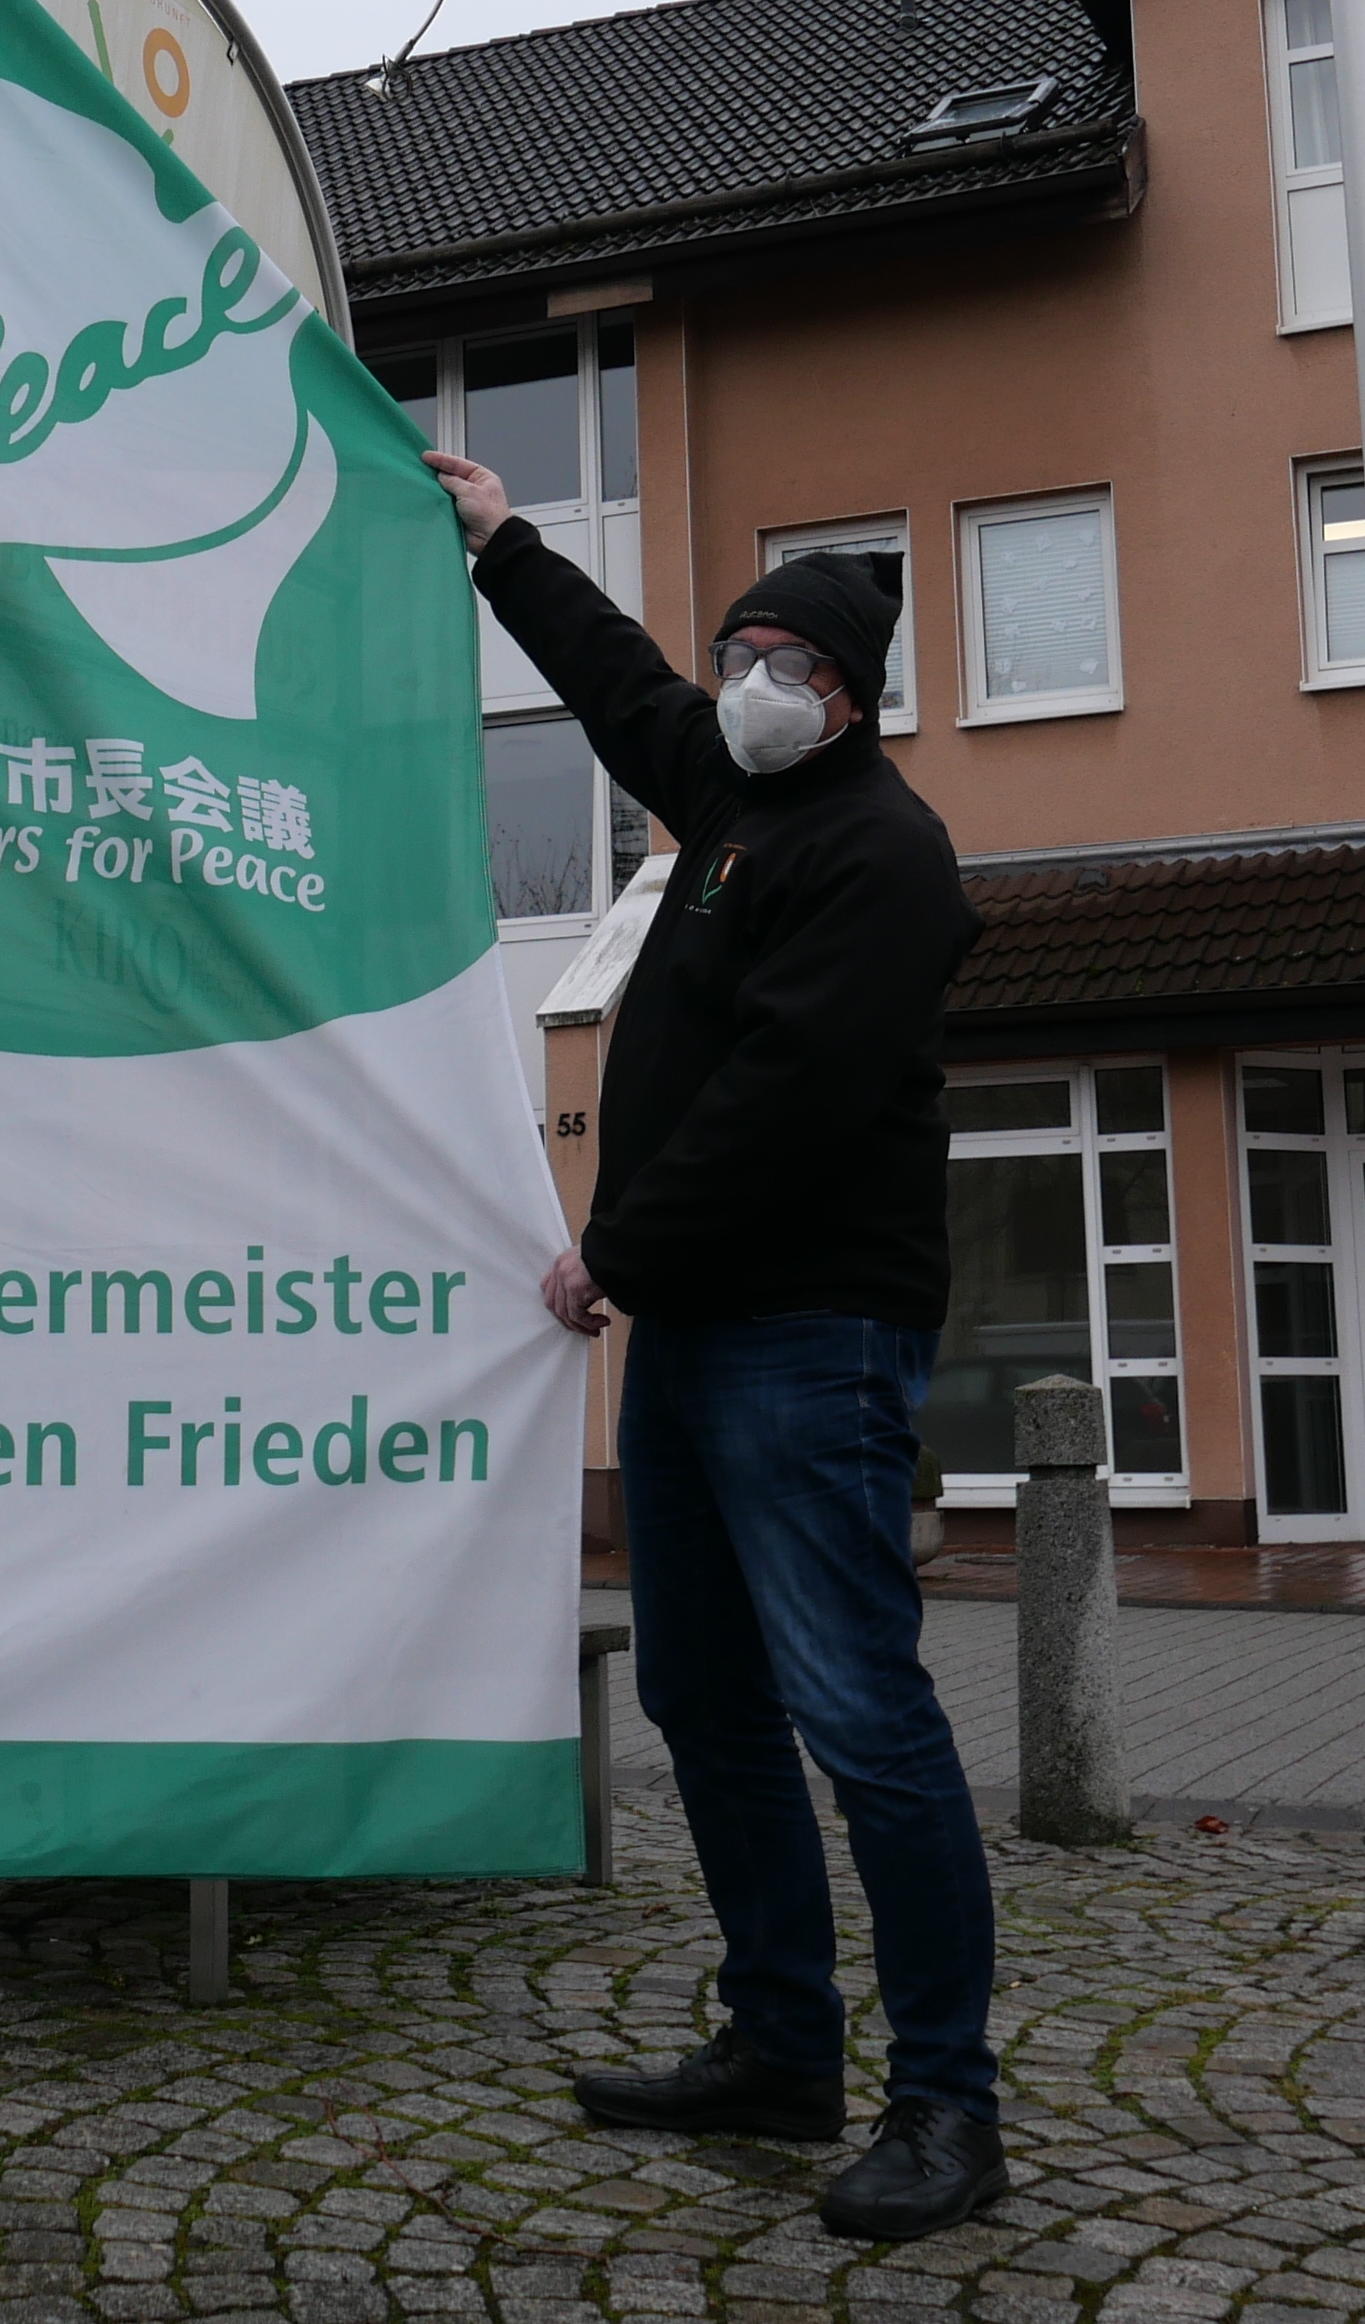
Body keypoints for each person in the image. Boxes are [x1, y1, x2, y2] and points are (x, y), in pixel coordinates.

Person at [426, 445, 1004, 2243]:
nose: (755, 687)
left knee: (860, 1712)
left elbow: (792, 1098)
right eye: (748, 652)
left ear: (852, 700)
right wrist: (504, 542)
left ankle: (947, 2108)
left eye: (794, 668)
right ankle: (779, 2041)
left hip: (808, 1337)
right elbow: (621, 681)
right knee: (704, 1696)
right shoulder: (725, 808)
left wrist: (616, 1254)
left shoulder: (883, 855)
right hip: (692, 1337)